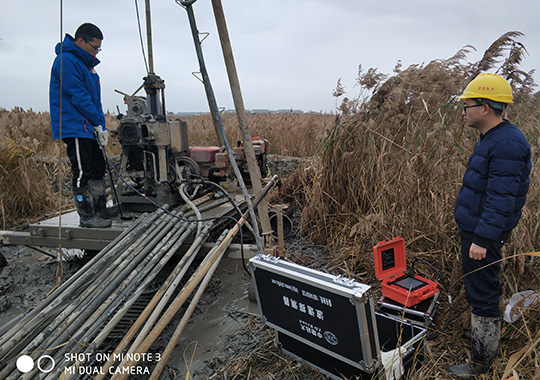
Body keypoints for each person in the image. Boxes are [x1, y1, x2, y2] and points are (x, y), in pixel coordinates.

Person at [450, 73, 531, 378]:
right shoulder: (494, 138)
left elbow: (501, 199)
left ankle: (481, 363)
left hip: (483, 235)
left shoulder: (507, 144)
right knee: (479, 288)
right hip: (477, 230)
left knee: (483, 291)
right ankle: (483, 341)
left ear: (485, 107)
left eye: (467, 105)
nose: (463, 111)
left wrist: (482, 239)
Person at [49, 23, 112, 228]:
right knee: (83, 171)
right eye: (94, 47)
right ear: (80, 41)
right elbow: (78, 96)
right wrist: (95, 121)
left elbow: (96, 101)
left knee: (98, 168)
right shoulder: (66, 61)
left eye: (98, 49)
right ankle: (86, 217)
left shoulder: (89, 67)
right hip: (75, 126)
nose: (96, 52)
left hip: (90, 127)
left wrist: (101, 126)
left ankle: (99, 211)